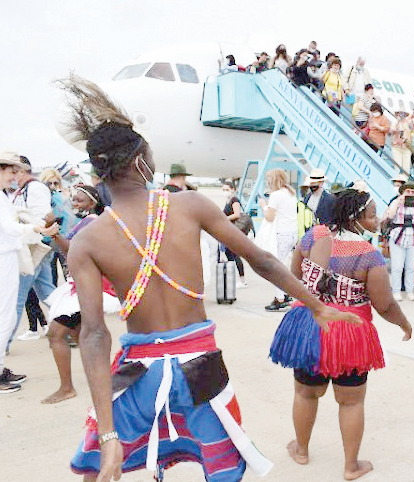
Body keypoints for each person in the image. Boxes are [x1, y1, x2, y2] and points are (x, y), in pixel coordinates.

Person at [57, 75, 359, 481]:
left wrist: (109, 434)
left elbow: (93, 335)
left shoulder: (87, 239)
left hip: (137, 372)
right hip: (201, 368)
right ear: (141, 161)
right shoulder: (189, 205)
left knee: (97, 467)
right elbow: (263, 261)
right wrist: (318, 306)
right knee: (221, 466)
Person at [269, 188, 412, 481]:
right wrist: (404, 324)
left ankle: (301, 450)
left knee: (305, 392)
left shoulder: (311, 239)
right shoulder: (368, 255)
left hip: (309, 328)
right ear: (354, 218)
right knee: (351, 401)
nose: (376, 222)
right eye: (371, 216)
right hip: (350, 333)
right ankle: (350, 466)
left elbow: (295, 279)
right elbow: (384, 305)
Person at [43, 186, 120, 404]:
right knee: (81, 335)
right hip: (81, 284)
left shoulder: (93, 221)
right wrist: (52, 229)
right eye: (73, 201)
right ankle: (108, 379)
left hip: (87, 286)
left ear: (93, 202)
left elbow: (71, 249)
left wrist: (54, 231)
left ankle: (67, 388)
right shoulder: (88, 221)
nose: (75, 204)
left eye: (79, 201)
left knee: (56, 334)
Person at [0, 151, 56, 393]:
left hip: (10, 256)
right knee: (6, 315)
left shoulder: (4, 195)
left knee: (9, 314)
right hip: (5, 258)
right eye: (12, 171)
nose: (15, 176)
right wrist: (34, 227)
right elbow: (8, 227)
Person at [10, 155, 56, 353]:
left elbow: (42, 218)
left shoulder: (34, 188)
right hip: (33, 248)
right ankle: (75, 323)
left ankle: (4, 343)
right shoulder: (25, 189)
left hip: (33, 248)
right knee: (48, 292)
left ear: (21, 171)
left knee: (17, 297)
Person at [258, 169, 299, 311]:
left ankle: (280, 298)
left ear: (274, 179)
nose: (268, 182)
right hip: (292, 233)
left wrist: (263, 205)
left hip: (280, 234)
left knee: (273, 268)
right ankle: (285, 293)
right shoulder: (291, 193)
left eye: (269, 179)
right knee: (282, 267)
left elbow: (269, 217)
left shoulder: (275, 195)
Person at [384, 182, 414, 301]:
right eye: (408, 191)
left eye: (413, 192)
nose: (410, 194)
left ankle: (410, 291)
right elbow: (391, 216)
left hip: (411, 237)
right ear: (402, 192)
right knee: (397, 266)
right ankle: (396, 291)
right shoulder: (396, 202)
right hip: (397, 237)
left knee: (410, 267)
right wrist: (398, 202)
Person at [222, 181, 248, 288]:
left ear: (233, 189)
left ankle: (242, 280)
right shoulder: (228, 201)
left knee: (235, 254)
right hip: (229, 230)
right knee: (229, 254)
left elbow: (237, 214)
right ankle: (234, 277)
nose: (225, 192)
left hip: (234, 230)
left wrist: (223, 219)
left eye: (227, 189)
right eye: (223, 190)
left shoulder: (234, 200)